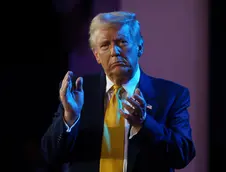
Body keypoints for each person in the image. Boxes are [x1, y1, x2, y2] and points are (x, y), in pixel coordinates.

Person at [40, 11, 196, 172]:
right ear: (97, 56)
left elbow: (182, 155)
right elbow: (51, 155)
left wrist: (144, 124)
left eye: (122, 42)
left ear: (139, 47)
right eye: (105, 45)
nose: (114, 51)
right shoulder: (78, 91)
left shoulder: (171, 95)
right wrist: (69, 118)